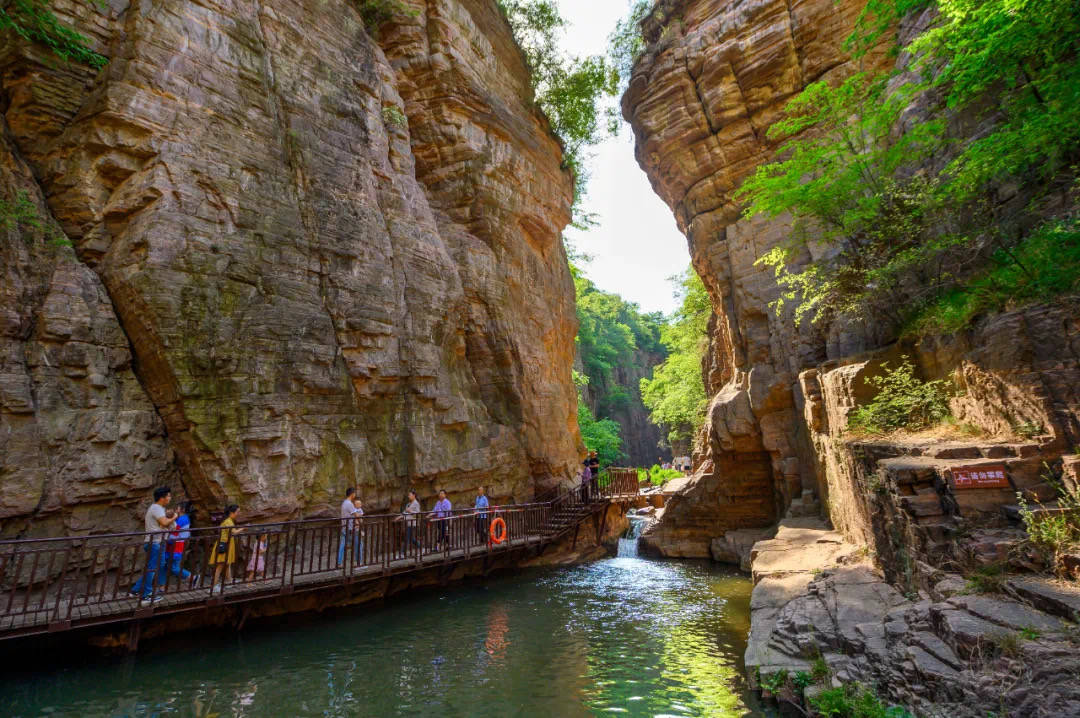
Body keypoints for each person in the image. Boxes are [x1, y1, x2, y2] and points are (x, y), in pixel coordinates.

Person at [131, 486, 176, 604]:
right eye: (169, 495)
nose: (170, 498)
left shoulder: (159, 509)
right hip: (155, 542)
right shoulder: (156, 508)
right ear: (162, 497)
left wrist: (170, 517)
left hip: (157, 542)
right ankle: (146, 595)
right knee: (153, 567)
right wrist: (175, 516)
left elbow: (171, 526)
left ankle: (136, 590)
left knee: (155, 566)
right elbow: (165, 523)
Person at [209, 504, 242, 594]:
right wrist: (243, 528)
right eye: (237, 512)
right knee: (220, 566)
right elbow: (234, 532)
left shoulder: (228, 520)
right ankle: (213, 586)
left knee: (227, 564)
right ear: (232, 512)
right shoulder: (228, 521)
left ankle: (230, 581)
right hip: (224, 545)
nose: (238, 514)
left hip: (226, 544)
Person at [164, 501, 195, 587]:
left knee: (174, 567)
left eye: (177, 508)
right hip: (176, 545)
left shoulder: (182, 519)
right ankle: (162, 586)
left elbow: (175, 533)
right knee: (167, 565)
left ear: (183, 509)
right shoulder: (184, 518)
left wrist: (166, 536)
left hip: (176, 546)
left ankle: (192, 577)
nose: (176, 509)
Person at [338, 487, 360, 567]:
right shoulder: (349, 504)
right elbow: (356, 515)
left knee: (342, 545)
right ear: (352, 494)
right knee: (358, 544)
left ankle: (339, 563)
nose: (355, 494)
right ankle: (358, 563)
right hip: (350, 529)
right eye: (354, 493)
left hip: (345, 527)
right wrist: (361, 517)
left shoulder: (344, 503)